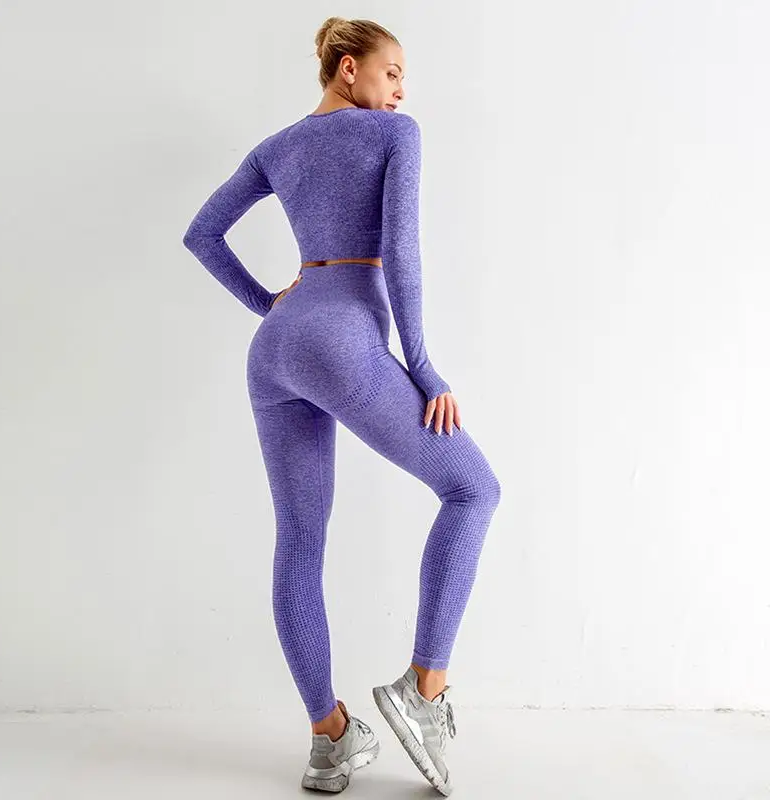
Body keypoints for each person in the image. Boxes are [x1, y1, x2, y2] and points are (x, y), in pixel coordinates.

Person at [182, 15, 501, 796]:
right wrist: (423, 367)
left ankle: (330, 740)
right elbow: (403, 255)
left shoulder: (277, 148)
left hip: (276, 349)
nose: (402, 91)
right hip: (341, 338)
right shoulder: (395, 136)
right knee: (473, 489)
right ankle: (424, 689)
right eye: (393, 72)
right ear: (348, 68)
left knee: (298, 539)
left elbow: (202, 234)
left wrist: (269, 305)